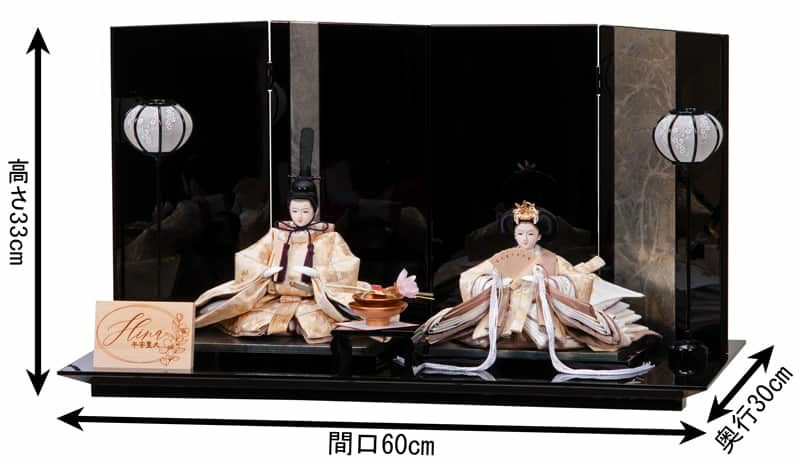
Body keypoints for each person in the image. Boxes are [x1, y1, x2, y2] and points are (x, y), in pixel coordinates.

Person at [414, 200, 660, 377]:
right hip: (504, 312)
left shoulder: (552, 259)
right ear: (514, 235)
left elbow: (577, 280)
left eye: (530, 234)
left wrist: (548, 285)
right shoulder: (504, 257)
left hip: (542, 313)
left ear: (539, 235)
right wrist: (497, 285)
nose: (525, 239)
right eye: (520, 233)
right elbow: (470, 277)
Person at [193, 129, 366, 343]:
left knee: (318, 323)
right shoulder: (277, 234)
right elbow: (247, 257)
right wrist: (264, 271)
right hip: (275, 298)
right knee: (248, 321)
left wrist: (319, 274)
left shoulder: (329, 237)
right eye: (295, 211)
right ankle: (286, 325)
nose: (300, 216)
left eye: (305, 211)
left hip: (313, 301)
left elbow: (347, 266)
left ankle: (294, 325)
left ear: (314, 211)